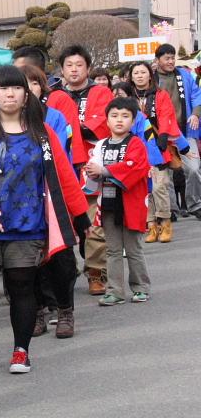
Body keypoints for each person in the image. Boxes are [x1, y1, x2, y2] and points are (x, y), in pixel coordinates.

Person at [0, 66, 86, 374]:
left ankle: (21, 349)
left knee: (22, 287)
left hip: (28, 224)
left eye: (16, 88)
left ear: (26, 93)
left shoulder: (42, 132)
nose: (10, 94)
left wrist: (80, 216)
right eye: (2, 88)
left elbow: (63, 176)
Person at [17, 63, 80, 339]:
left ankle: (65, 310)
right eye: (20, 84)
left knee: (61, 259)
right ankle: (38, 311)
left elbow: (64, 161)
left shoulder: (52, 119)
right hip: (19, 203)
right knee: (27, 263)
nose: (26, 90)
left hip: (52, 197)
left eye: (32, 83)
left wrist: (77, 207)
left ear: (41, 87)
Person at [51, 45, 113, 296]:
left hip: (89, 163)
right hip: (61, 164)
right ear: (62, 69)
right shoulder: (54, 95)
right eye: (69, 65)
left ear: (88, 67)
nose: (74, 69)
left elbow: (103, 123)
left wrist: (75, 127)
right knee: (64, 222)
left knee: (93, 223)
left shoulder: (101, 92)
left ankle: (96, 272)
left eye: (79, 65)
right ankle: (66, 271)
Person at [85, 98, 152, 305]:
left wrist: (104, 171)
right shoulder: (101, 145)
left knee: (133, 249)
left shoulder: (136, 143)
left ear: (133, 121)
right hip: (108, 203)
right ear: (107, 120)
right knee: (112, 249)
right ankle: (115, 290)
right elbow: (92, 169)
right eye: (114, 116)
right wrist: (92, 173)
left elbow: (136, 167)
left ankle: (140, 287)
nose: (119, 120)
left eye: (125, 116)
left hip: (131, 203)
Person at [128, 62, 183, 243]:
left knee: (160, 186)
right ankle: (151, 225)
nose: (140, 76)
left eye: (143, 72)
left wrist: (164, 135)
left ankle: (165, 222)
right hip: (136, 148)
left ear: (150, 75)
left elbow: (167, 115)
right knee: (146, 189)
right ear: (131, 76)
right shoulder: (128, 98)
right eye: (136, 73)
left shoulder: (160, 95)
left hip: (157, 145)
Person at [153, 44, 201, 219]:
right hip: (161, 133)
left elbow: (197, 95)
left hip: (185, 131)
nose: (171, 61)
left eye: (173, 57)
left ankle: (195, 204)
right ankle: (170, 209)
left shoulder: (184, 75)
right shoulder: (152, 79)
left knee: (194, 169)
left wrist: (195, 114)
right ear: (157, 60)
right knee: (167, 173)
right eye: (167, 58)